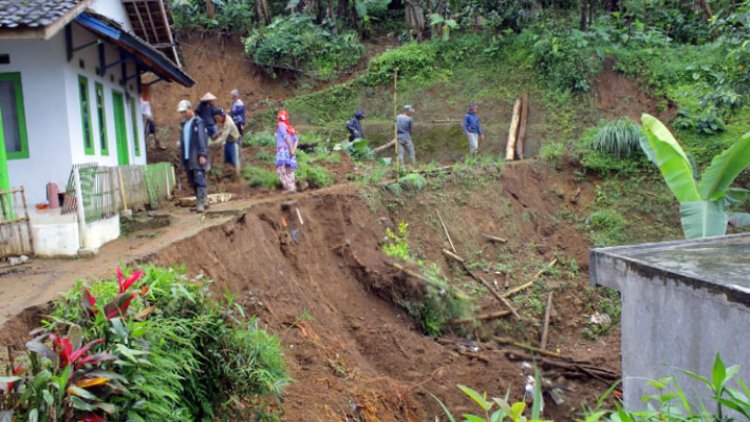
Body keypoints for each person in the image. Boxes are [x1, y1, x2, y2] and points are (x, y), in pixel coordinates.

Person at [177, 100, 209, 213]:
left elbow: (202, 139)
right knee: (192, 181)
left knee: (199, 178)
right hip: (187, 157)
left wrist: (202, 154)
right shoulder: (184, 124)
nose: (183, 114)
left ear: (190, 109)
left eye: (184, 112)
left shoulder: (197, 122)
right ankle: (201, 202)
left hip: (197, 155)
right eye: (181, 112)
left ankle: (202, 203)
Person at [212, 109, 242, 177]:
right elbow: (223, 128)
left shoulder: (228, 122)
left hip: (234, 142)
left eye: (217, 118)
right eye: (215, 118)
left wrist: (214, 145)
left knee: (235, 161)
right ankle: (228, 176)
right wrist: (218, 133)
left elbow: (223, 137)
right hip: (228, 142)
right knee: (227, 160)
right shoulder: (225, 119)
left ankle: (238, 178)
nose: (217, 120)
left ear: (221, 116)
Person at [276, 110, 299, 194]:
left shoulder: (280, 125)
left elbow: (286, 138)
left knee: (281, 170)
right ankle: (292, 187)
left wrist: (290, 149)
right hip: (290, 151)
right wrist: (293, 150)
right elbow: (296, 140)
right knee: (289, 170)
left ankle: (288, 188)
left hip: (283, 150)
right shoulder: (290, 127)